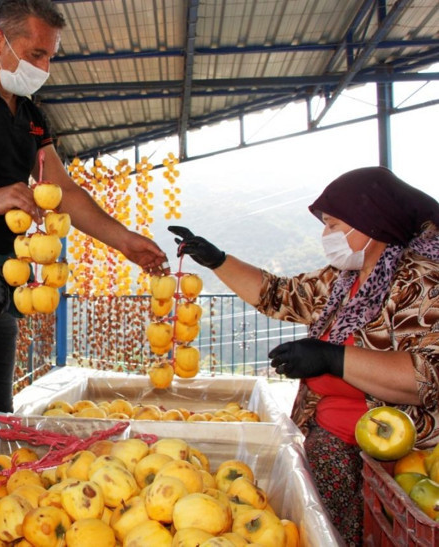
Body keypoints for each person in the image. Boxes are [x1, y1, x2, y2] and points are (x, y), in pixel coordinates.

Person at [0, 0, 169, 412]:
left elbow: (64, 192)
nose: (44, 67)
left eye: (49, 57)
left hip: (5, 279)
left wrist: (125, 242)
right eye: (36, 54)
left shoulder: (31, 115)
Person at [169, 166, 439, 545]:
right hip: (327, 437)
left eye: (333, 224)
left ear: (370, 221)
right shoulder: (343, 278)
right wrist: (216, 260)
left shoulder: (421, 280)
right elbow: (278, 294)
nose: (326, 235)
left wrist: (332, 358)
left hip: (389, 460)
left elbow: (427, 377)